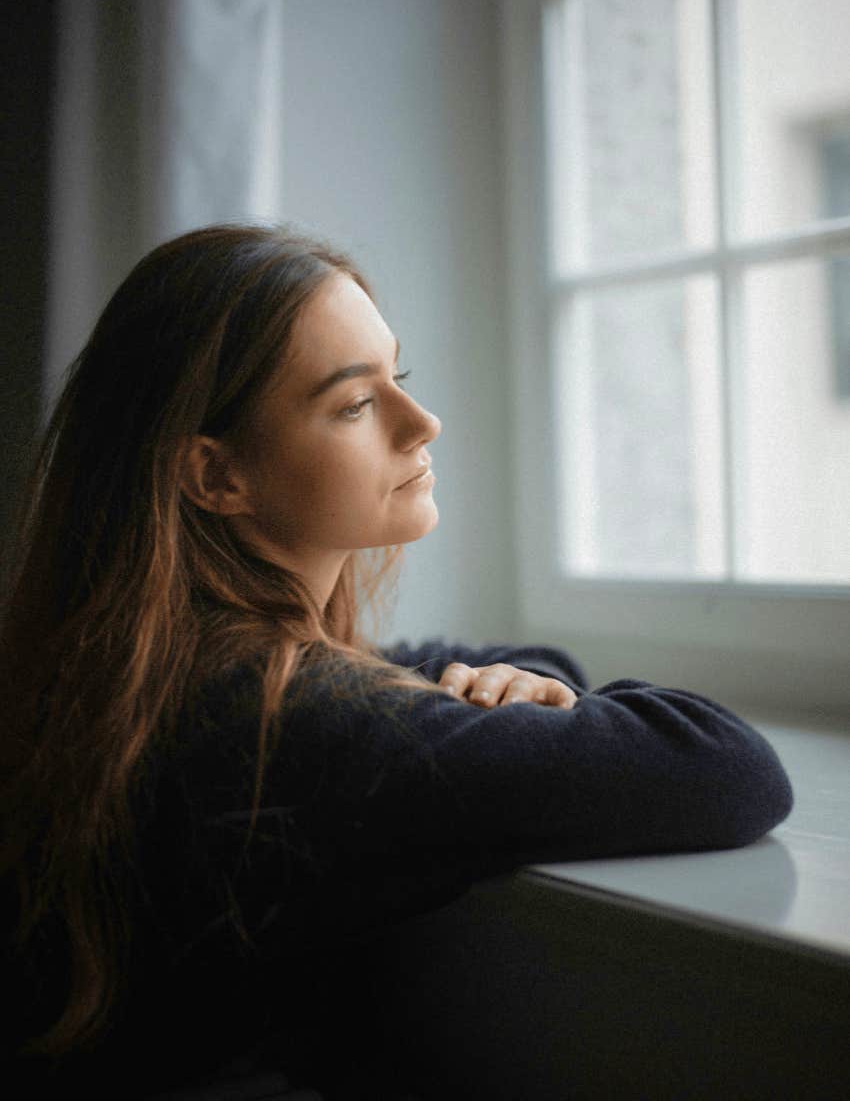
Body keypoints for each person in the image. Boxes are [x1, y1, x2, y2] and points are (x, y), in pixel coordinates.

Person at [0, 224, 792, 1099]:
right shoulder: (296, 723)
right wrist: (531, 694)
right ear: (215, 476)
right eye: (352, 405)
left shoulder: (163, 672)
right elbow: (727, 766)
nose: (423, 422)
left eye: (398, 379)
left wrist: (519, 680)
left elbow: (495, 660)